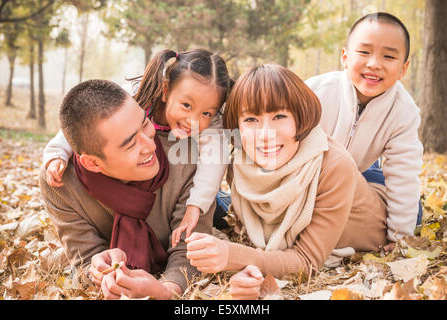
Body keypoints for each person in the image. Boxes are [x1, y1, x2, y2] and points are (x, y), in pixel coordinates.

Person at [185, 64, 389, 300]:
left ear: (299, 117)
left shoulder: (335, 168)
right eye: (251, 119)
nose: (265, 134)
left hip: (381, 202)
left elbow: (306, 261)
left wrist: (233, 256)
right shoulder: (239, 165)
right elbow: (244, 241)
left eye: (279, 116)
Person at [39, 79, 215, 299]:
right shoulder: (61, 183)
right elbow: (84, 260)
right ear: (92, 163)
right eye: (131, 144)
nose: (150, 146)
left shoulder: (187, 158)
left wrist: (168, 290)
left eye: (144, 124)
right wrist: (98, 272)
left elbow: (189, 251)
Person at [42, 49, 233, 248]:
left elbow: (214, 164)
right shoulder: (138, 92)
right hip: (157, 186)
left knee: (222, 209)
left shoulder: (212, 126)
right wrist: (57, 153)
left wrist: (196, 206)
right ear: (166, 90)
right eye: (186, 105)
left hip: (198, 188)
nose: (193, 120)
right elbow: (86, 121)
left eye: (206, 113)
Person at [305, 12, 424, 244]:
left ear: (403, 69)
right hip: (306, 175)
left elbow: (403, 173)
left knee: (413, 211)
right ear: (345, 57)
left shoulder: (404, 111)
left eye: (389, 56)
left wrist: (398, 238)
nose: (374, 64)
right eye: (364, 52)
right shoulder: (315, 92)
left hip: (360, 174)